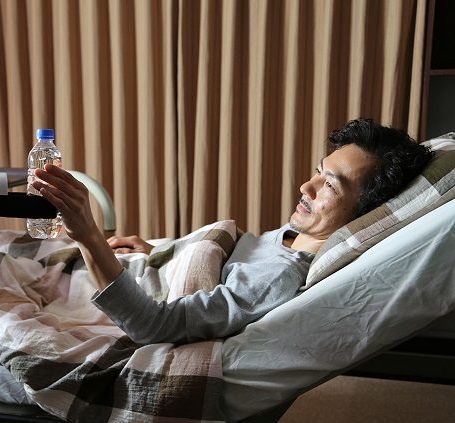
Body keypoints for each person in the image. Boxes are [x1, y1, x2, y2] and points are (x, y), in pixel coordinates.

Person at [31, 118, 432, 344]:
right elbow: (223, 260)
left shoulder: (278, 278)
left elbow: (155, 326)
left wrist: (89, 238)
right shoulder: (293, 237)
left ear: (365, 211)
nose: (306, 188)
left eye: (330, 185)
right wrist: (163, 251)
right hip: (139, 264)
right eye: (317, 172)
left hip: (99, 289)